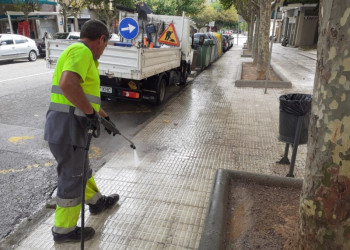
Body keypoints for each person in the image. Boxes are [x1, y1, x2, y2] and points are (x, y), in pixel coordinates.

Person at [44, 19, 118, 243]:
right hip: (67, 128)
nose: (103, 50)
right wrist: (88, 114)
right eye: (105, 45)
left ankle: (96, 202)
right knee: (72, 177)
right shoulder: (82, 51)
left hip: (66, 127)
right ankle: (64, 231)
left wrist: (102, 116)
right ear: (101, 39)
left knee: (81, 170)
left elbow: (82, 94)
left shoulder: (80, 53)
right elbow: (68, 84)